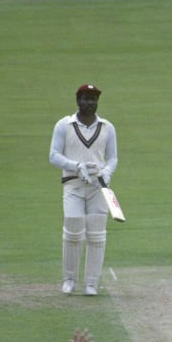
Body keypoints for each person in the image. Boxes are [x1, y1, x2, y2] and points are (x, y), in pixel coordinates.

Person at [49, 84, 118, 295]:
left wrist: (106, 172)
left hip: (98, 187)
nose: (90, 103)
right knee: (73, 227)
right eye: (86, 98)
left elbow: (113, 157)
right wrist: (76, 166)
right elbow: (53, 156)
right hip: (73, 184)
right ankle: (69, 279)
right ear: (78, 100)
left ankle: (91, 283)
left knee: (97, 234)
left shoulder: (107, 127)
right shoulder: (64, 125)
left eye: (94, 99)